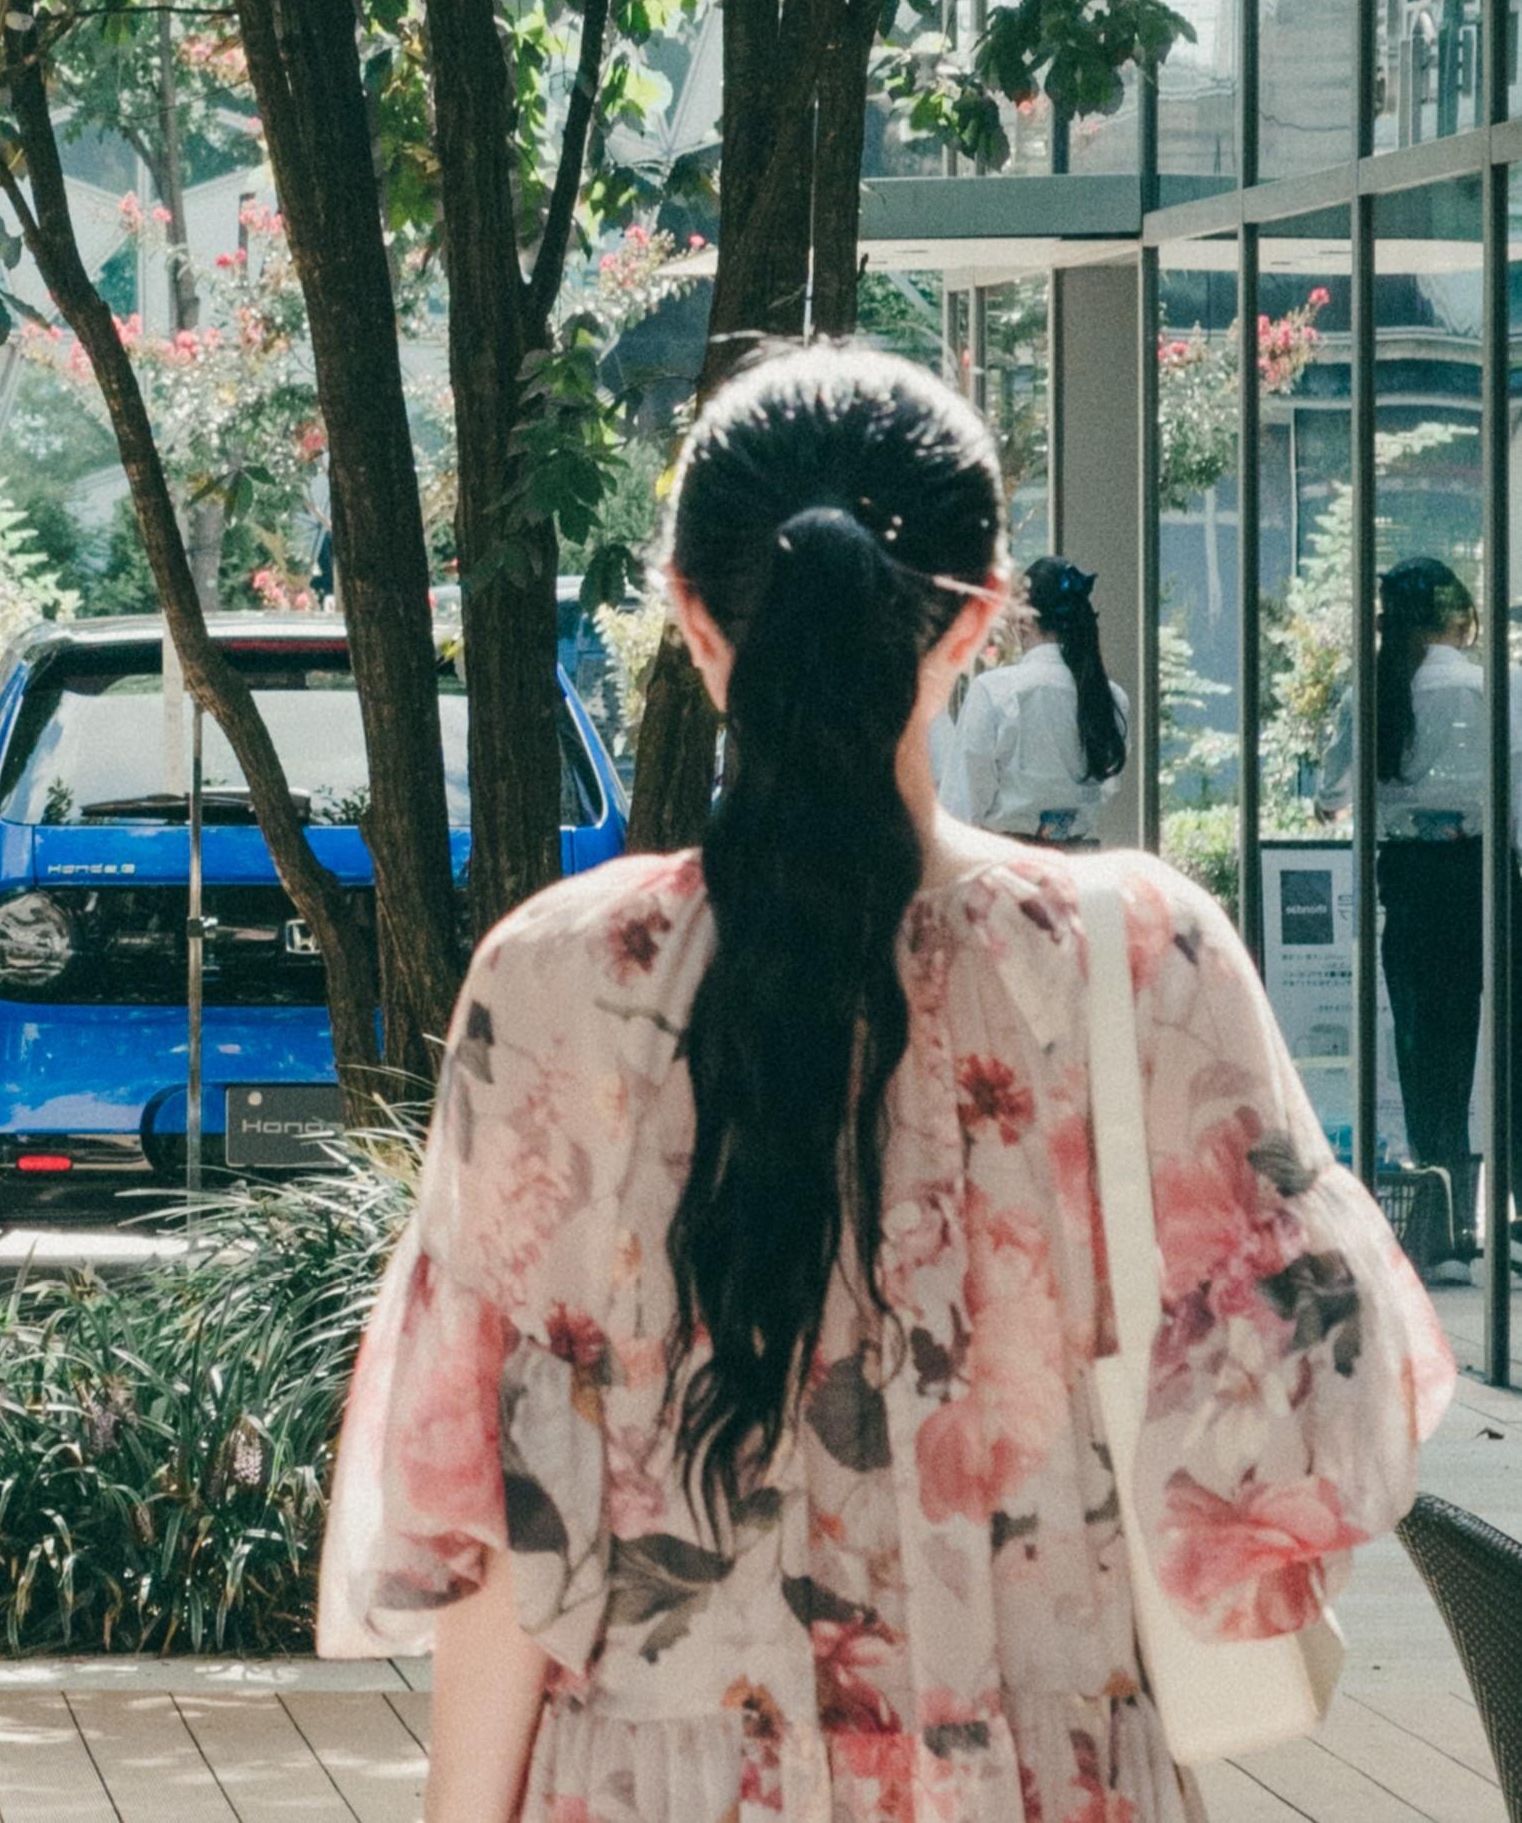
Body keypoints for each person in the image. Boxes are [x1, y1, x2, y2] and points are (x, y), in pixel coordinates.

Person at [322, 346, 1452, 1823]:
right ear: (977, 617)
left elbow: (491, 1529)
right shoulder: (1138, 958)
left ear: (691, 617)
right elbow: (1304, 1443)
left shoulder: (561, 984)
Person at [1323, 556, 1486, 1248]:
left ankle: (1435, 1216)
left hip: (1408, 878)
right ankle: (1466, 1205)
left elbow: (1331, 793)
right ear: (1454, 616)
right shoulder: (1486, 686)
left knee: (1417, 1041)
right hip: (1475, 876)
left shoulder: (1374, 690)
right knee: (1466, 1040)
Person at [934, 554, 1132, 845]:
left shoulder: (995, 691)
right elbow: (1106, 787)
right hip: (1077, 860)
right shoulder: (1111, 698)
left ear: (1025, 619)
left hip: (1007, 860)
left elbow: (961, 807)